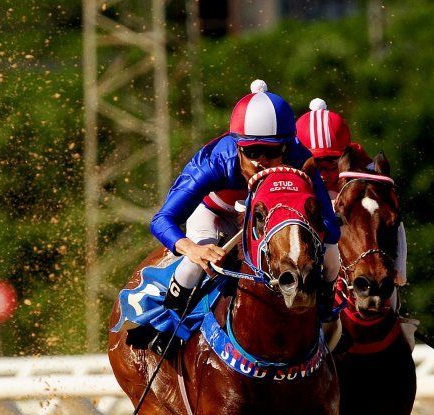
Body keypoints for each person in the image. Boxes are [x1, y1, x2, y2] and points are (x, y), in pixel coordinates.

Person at [144, 80, 342, 352]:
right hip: (215, 215)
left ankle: (325, 314)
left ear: (286, 146)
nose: (262, 160)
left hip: (267, 221)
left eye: (272, 152)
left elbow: (329, 222)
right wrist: (191, 249)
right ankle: (167, 327)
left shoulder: (299, 157)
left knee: (332, 255)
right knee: (192, 268)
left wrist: (321, 242)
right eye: (251, 152)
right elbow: (162, 219)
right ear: (237, 146)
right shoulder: (214, 162)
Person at [296, 98, 408, 288]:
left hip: (356, 252)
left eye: (331, 166)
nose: (323, 176)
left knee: (392, 219)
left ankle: (398, 283)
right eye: (317, 167)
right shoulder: (289, 168)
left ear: (344, 157)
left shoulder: (363, 167)